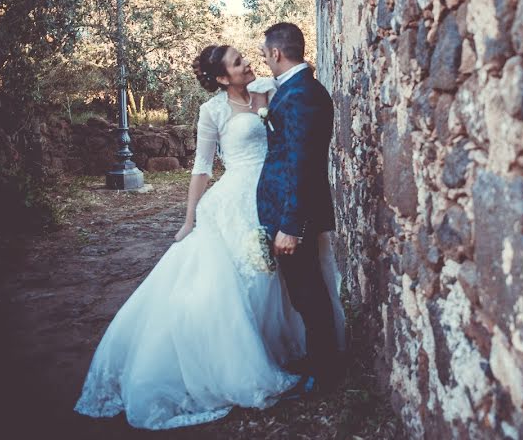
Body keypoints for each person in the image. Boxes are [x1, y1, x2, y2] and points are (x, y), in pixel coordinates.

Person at [74, 43, 341, 430]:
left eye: (246, 57)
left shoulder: (270, 88)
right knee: (241, 281)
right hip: (234, 200)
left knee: (287, 276)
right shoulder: (212, 111)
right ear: (221, 78)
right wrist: (189, 220)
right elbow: (201, 169)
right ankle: (244, 361)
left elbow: (297, 118)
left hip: (276, 194)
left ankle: (302, 351)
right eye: (237, 63)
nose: (247, 63)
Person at [256, 22, 343, 394]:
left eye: (264, 54)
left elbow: (301, 165)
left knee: (309, 294)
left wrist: (291, 225)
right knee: (304, 293)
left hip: (296, 217)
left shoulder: (302, 94)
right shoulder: (293, 90)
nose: (264, 60)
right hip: (290, 213)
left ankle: (325, 374)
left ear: (276, 53)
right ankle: (319, 361)